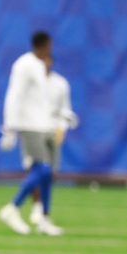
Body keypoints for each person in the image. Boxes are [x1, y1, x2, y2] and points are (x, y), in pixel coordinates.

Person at [0, 32, 63, 235]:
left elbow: (40, 100)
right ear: (45, 44)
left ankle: (44, 218)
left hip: (44, 125)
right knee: (42, 170)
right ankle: (12, 207)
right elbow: (14, 95)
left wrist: (59, 116)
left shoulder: (39, 66)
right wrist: (9, 127)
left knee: (47, 174)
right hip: (29, 126)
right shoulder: (24, 64)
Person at [28, 55, 78, 225]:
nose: (45, 64)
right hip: (34, 131)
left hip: (52, 132)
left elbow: (65, 110)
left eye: (47, 60)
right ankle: (36, 206)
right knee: (35, 170)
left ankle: (44, 210)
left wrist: (62, 128)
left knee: (50, 173)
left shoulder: (60, 83)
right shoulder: (31, 84)